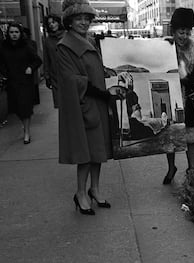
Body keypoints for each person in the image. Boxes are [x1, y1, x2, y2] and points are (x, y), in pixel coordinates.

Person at [56, 0, 125, 215]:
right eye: (79, 18)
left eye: (87, 18)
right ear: (69, 21)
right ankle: (80, 193)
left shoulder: (88, 41)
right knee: (85, 155)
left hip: (97, 104)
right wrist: (102, 93)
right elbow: (71, 80)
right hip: (84, 106)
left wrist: (107, 75)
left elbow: (94, 71)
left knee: (98, 151)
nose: (84, 22)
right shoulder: (64, 46)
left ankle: (94, 189)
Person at [162, 7, 194, 185]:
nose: (184, 36)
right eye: (181, 32)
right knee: (170, 136)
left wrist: (185, 79)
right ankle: (171, 167)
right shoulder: (164, 47)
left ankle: (192, 168)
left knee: (190, 135)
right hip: (169, 99)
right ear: (173, 30)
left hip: (188, 101)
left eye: (188, 32)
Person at [0, 22, 42, 144]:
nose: (14, 35)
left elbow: (37, 60)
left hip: (25, 82)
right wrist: (4, 74)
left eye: (16, 32)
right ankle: (25, 125)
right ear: (8, 33)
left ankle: (27, 132)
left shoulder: (26, 46)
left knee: (25, 107)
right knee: (16, 108)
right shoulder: (3, 47)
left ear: (20, 33)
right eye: (12, 32)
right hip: (11, 82)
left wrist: (30, 68)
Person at [43, 14, 65, 108]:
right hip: (55, 76)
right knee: (61, 105)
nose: (51, 25)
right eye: (49, 23)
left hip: (70, 74)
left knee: (73, 104)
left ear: (59, 23)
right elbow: (46, 58)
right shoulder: (47, 40)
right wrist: (47, 76)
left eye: (53, 22)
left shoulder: (67, 36)